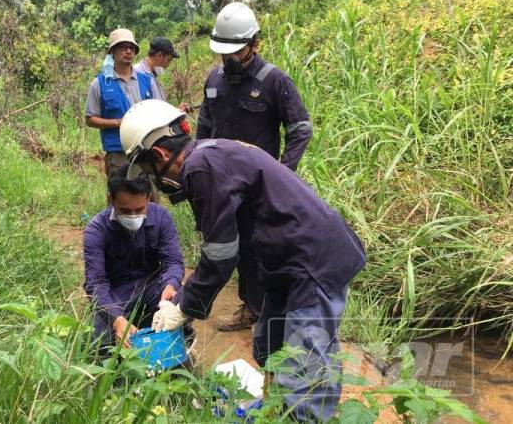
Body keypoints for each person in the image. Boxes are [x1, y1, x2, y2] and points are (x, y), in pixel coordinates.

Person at [119, 100, 366, 422]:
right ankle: (275, 410)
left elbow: (220, 253)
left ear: (160, 156)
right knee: (269, 346)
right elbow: (232, 244)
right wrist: (183, 301)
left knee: (306, 372)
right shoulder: (212, 153)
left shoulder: (200, 168)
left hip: (312, 261)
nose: (153, 180)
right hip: (283, 262)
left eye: (148, 169)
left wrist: (183, 307)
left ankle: (303, 416)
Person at [196, 2, 312, 332]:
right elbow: (205, 128)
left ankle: (263, 311)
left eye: (235, 52)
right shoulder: (214, 80)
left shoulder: (273, 80)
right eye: (223, 53)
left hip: (258, 187)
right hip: (220, 184)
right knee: (226, 246)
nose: (228, 59)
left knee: (257, 248)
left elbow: (300, 129)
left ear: (254, 44)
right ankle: (249, 306)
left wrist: (283, 173)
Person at [83, 164, 184, 352]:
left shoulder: (161, 217)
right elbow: (95, 282)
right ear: (110, 199)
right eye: (125, 210)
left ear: (149, 198)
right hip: (116, 293)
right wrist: (116, 319)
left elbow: (173, 261)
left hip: (154, 287)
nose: (133, 216)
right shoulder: (96, 230)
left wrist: (170, 285)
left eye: (140, 209)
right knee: (99, 344)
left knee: (181, 310)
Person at [85, 29, 153, 179]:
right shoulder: (100, 83)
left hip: (146, 150)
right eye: (123, 47)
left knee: (149, 195)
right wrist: (117, 122)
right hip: (117, 152)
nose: (128, 51)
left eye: (131, 48)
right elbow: (90, 119)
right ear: (112, 52)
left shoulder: (146, 80)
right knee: (120, 197)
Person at [134, 37, 180, 102]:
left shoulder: (156, 73)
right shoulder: (138, 74)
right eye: (169, 60)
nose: (169, 63)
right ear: (159, 55)